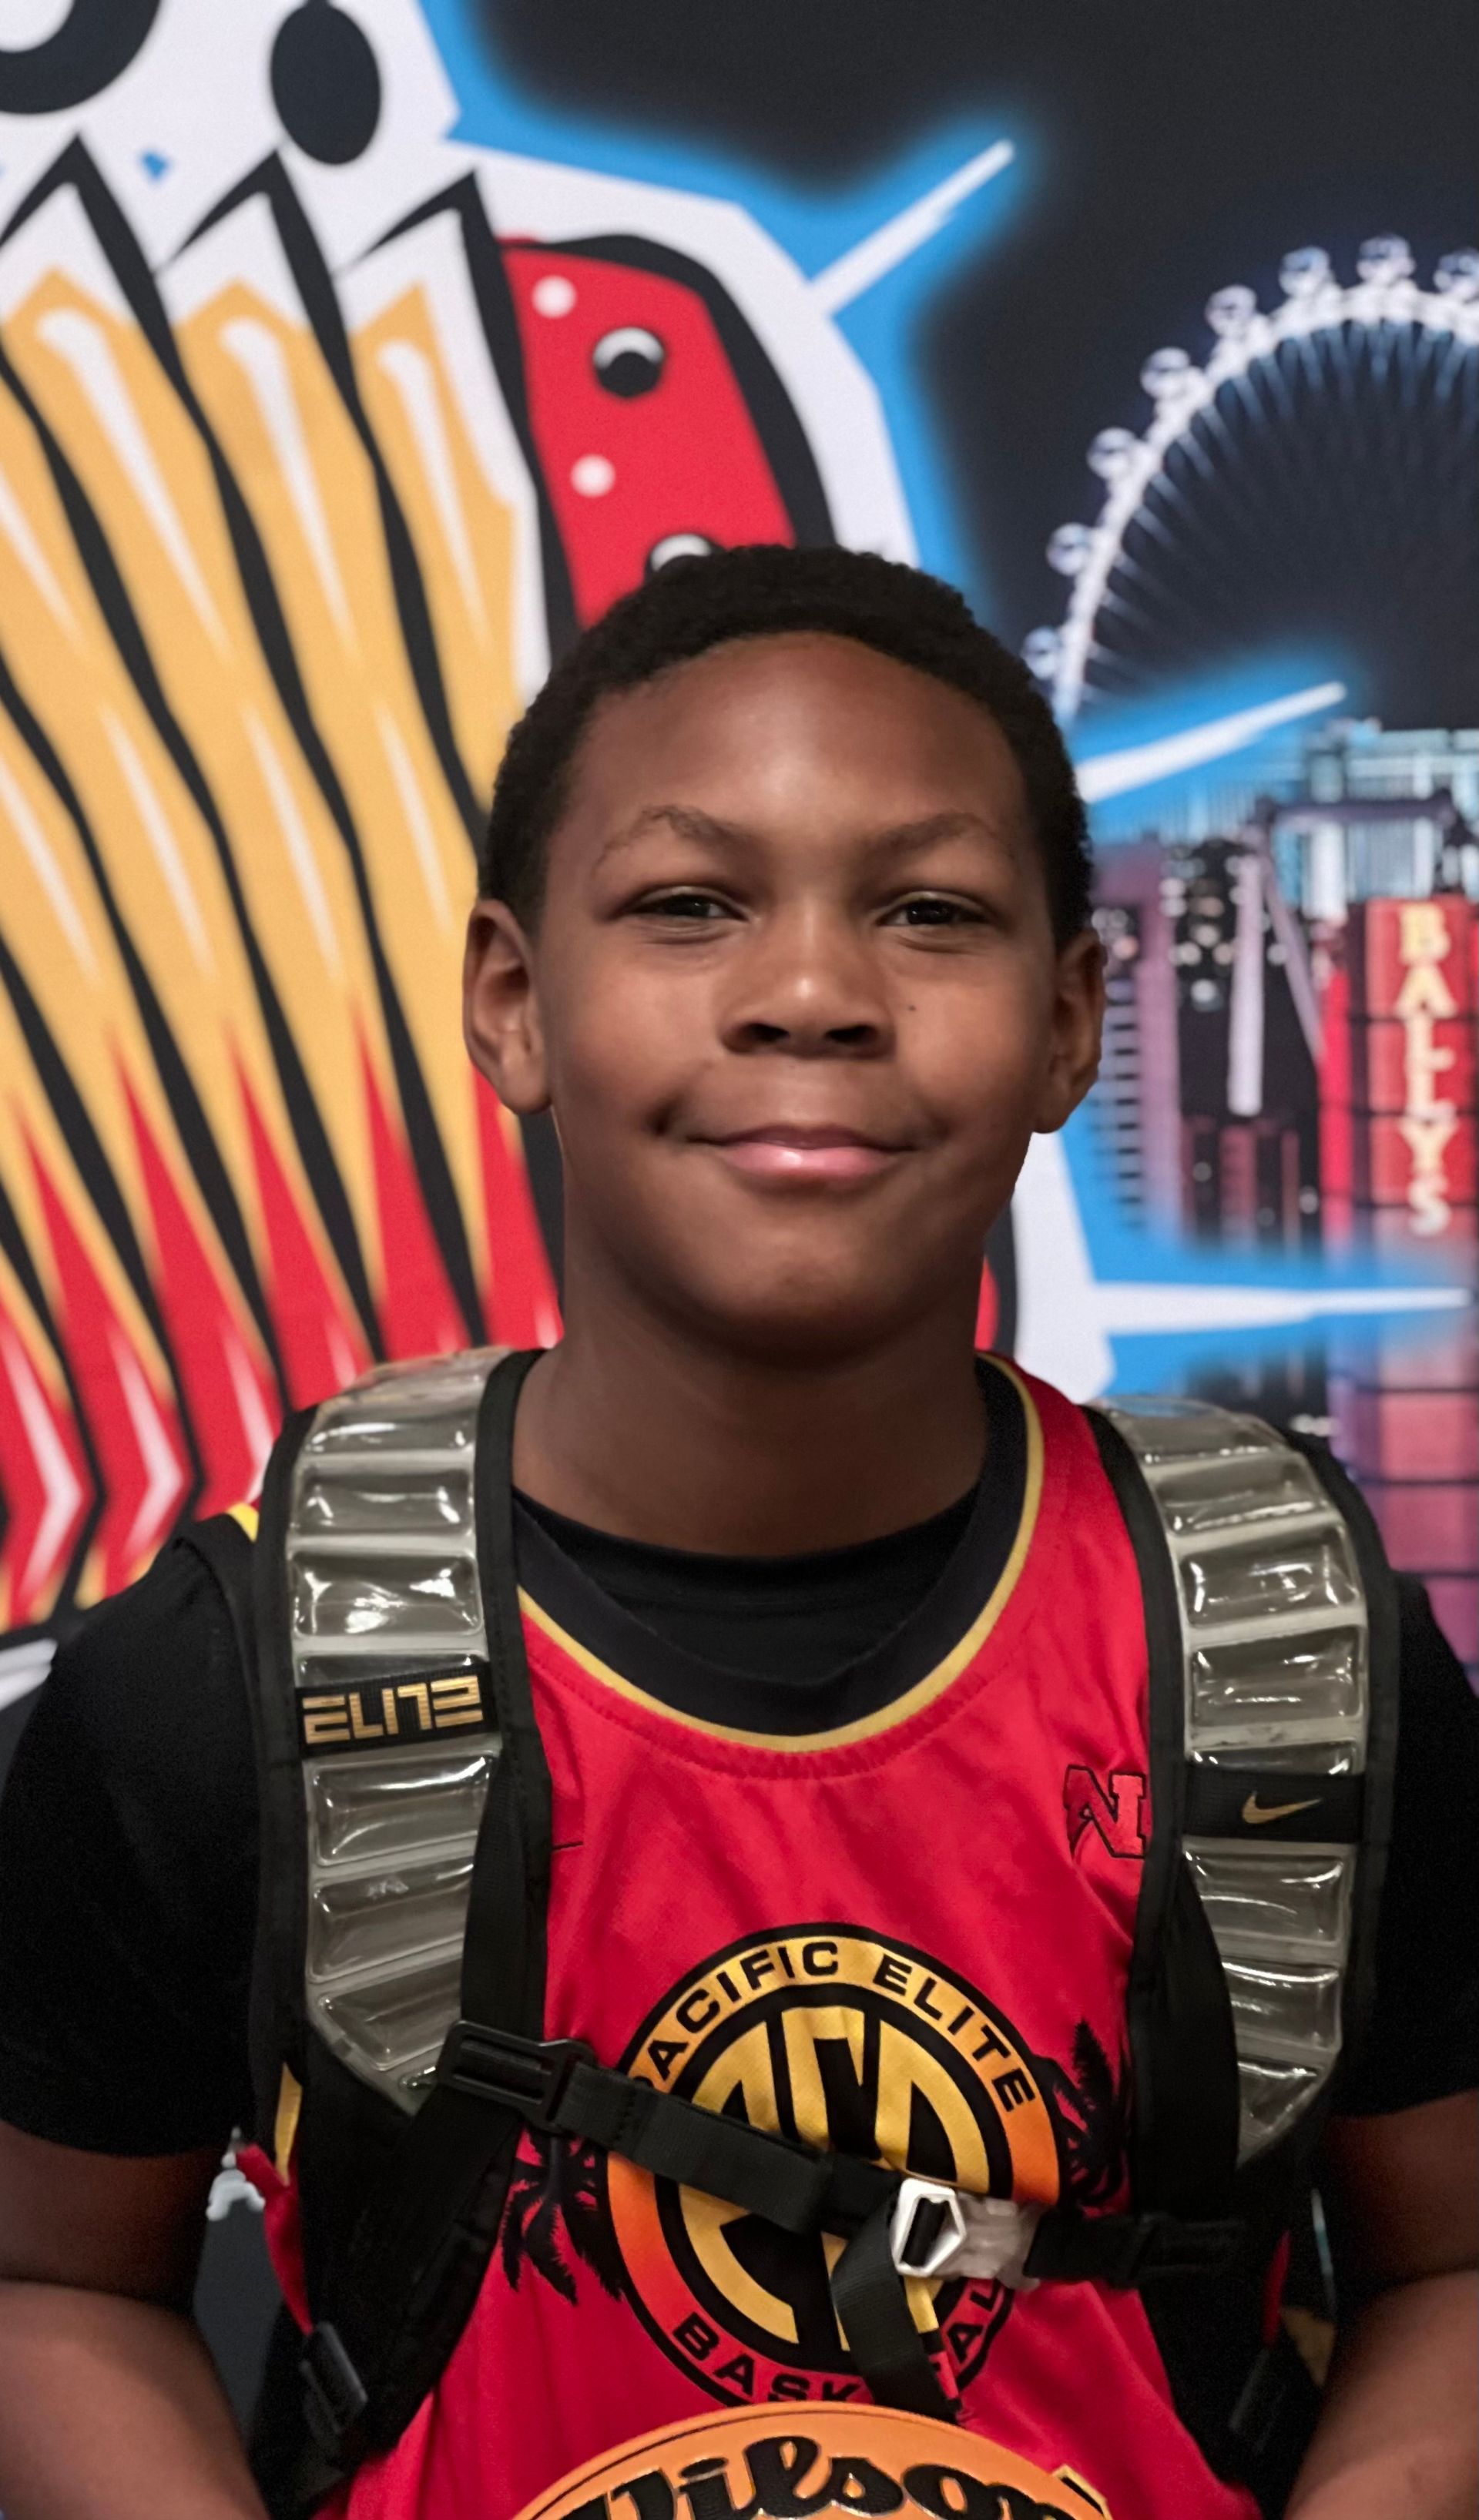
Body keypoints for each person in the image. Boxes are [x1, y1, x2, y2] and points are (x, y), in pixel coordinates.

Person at [0, 547, 1474, 2520]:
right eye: (691, 905)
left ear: (1067, 1022)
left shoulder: (1291, 1663)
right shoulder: (226, 1678)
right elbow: (54, 2282)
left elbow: (1453, 2261)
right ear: (515, 1004)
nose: (808, 994)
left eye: (927, 911)